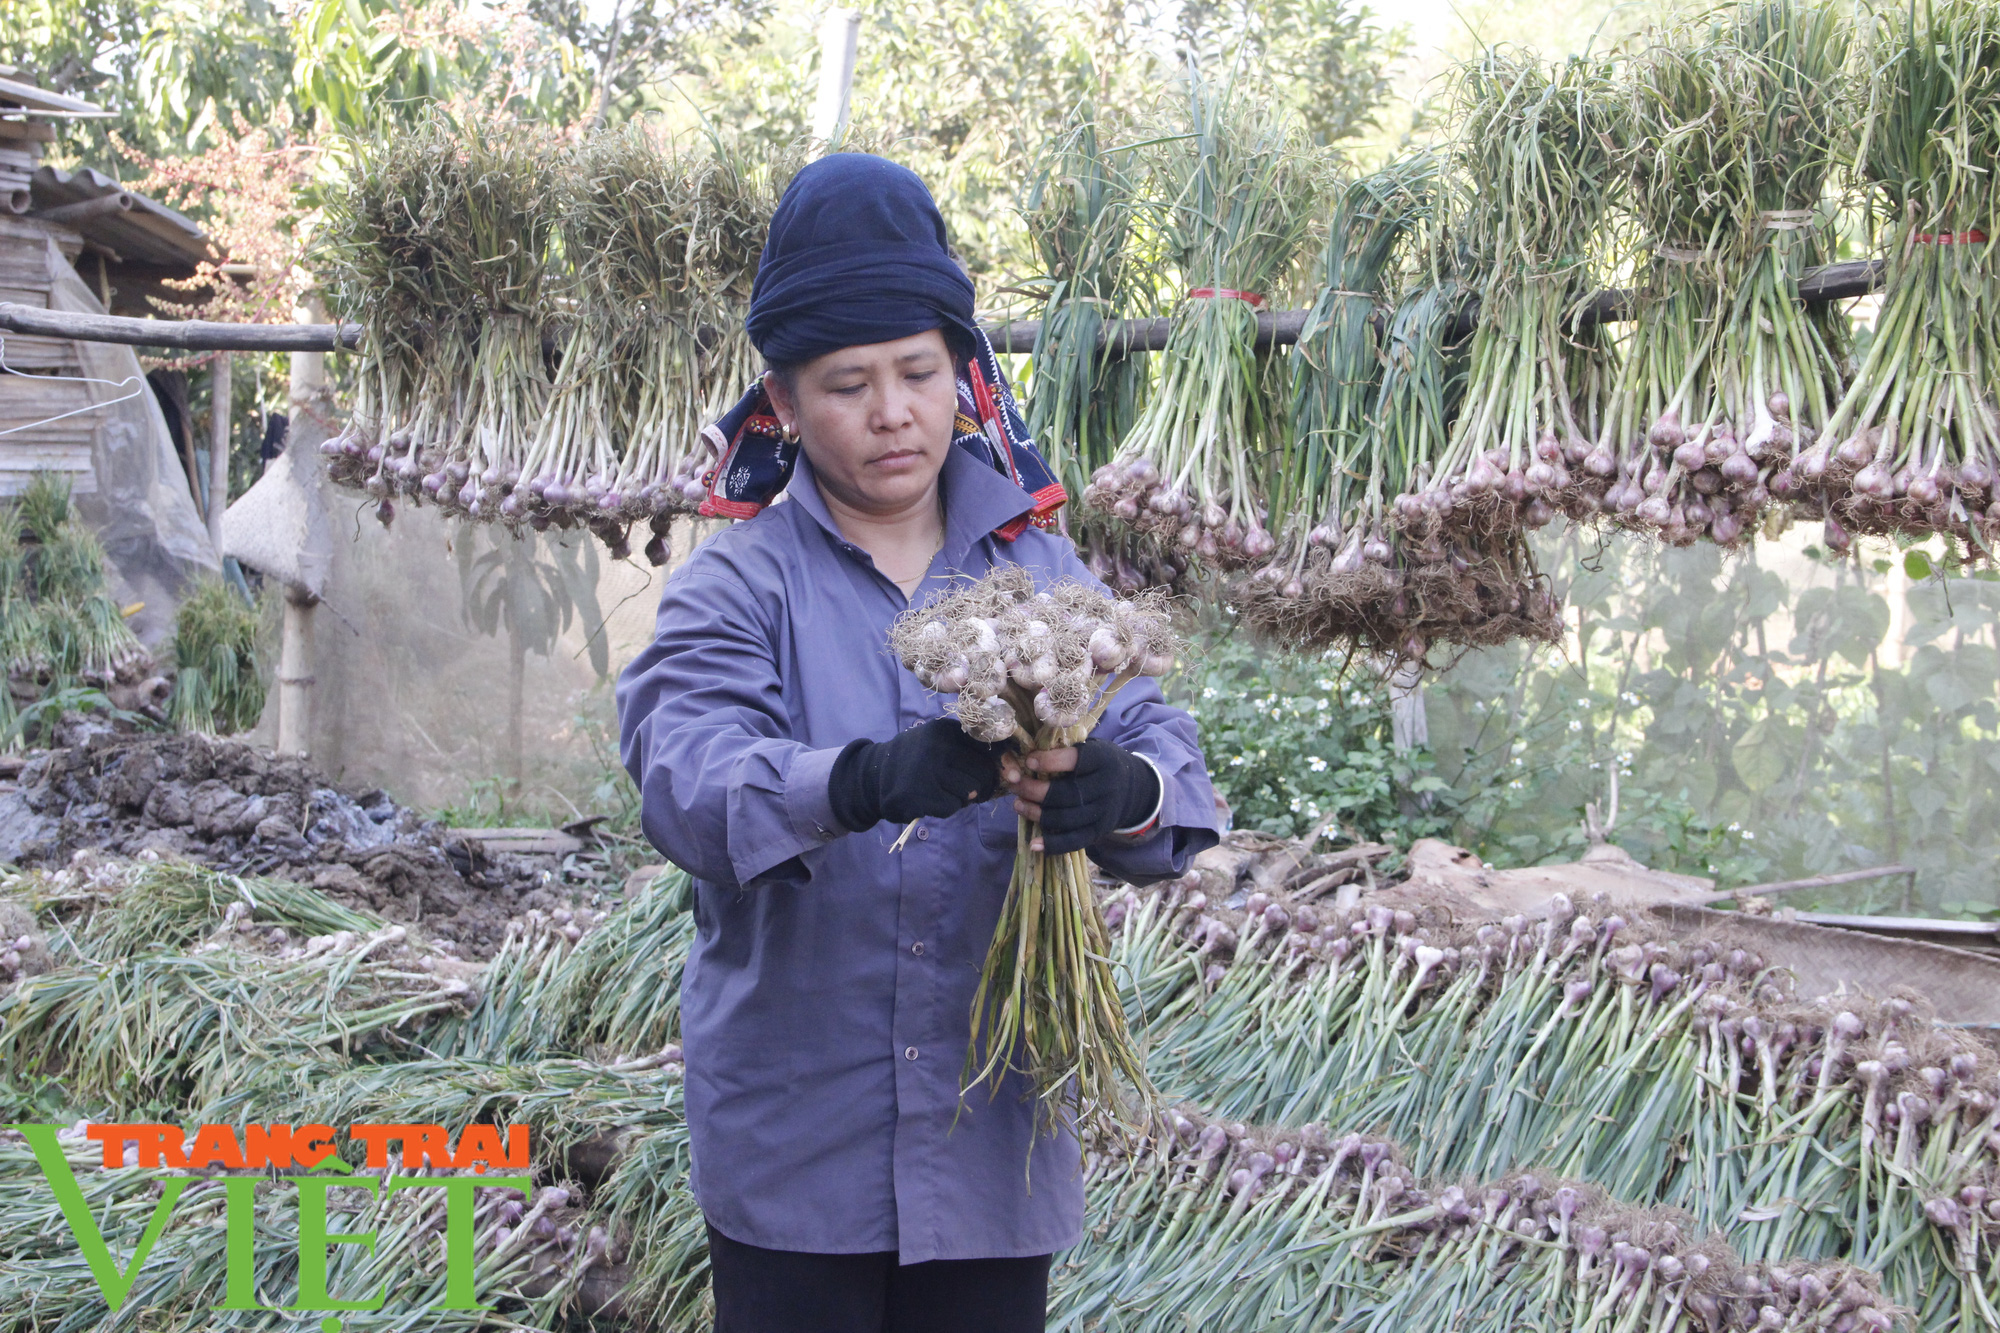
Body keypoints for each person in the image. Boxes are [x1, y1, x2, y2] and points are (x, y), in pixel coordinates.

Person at [616, 153, 1219, 1333]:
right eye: (847, 383)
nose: (891, 412)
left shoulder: (1040, 568)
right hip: (798, 1146)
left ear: (963, 375)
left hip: (991, 1130)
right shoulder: (736, 585)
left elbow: (1165, 756)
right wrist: (857, 780)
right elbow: (681, 773)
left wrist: (1126, 787)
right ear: (782, 405)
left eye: (917, 372)